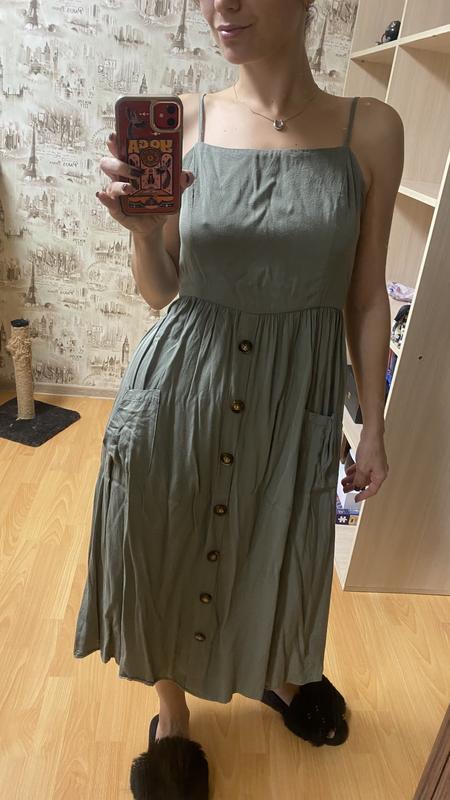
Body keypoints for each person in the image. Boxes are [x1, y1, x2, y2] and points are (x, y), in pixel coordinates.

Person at [74, 1, 403, 797]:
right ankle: (172, 712)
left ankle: (275, 672)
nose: (221, 4)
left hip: (293, 399)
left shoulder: (371, 130)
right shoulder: (184, 123)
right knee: (165, 538)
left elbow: (366, 295)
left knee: (274, 542)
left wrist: (373, 425)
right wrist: (143, 233)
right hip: (182, 388)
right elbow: (164, 294)